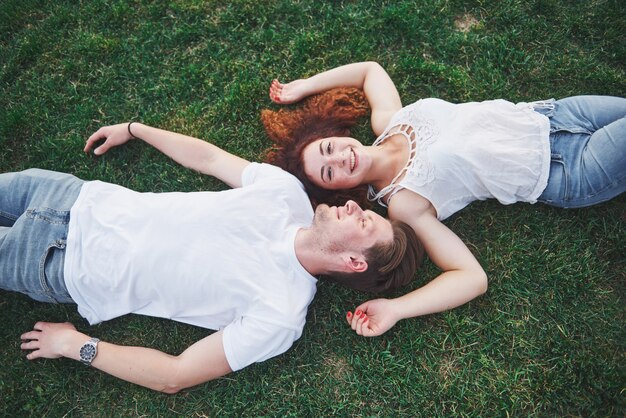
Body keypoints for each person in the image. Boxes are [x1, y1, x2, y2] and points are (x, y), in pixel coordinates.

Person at [0, 122, 422, 393]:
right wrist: (137, 129)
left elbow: (176, 375)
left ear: (353, 263)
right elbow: (210, 158)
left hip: (56, 264)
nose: (352, 206)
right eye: (364, 210)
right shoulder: (287, 194)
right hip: (70, 195)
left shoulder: (280, 314)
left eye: (364, 222)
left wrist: (75, 345)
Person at [263, 61, 626, 337]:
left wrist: (305, 86)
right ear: (337, 191)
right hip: (569, 170)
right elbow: (471, 277)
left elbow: (369, 71)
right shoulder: (404, 202)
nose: (339, 158)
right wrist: (397, 309)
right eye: (329, 171)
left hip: (556, 114)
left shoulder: (390, 120)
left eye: (328, 149)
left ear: (337, 137)